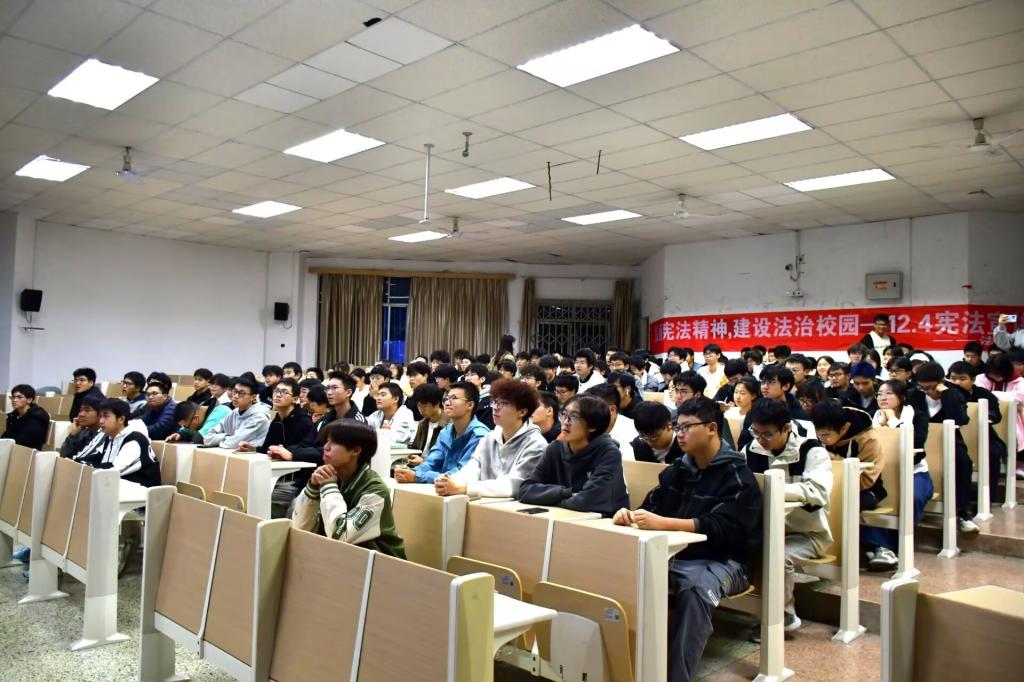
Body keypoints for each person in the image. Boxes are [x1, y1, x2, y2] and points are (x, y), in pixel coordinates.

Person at [613, 397, 761, 682]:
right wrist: (630, 515)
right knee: (620, 570)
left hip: (727, 561)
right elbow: (652, 506)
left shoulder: (737, 475)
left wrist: (665, 523)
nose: (679, 434)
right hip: (678, 554)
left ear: (712, 428)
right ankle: (626, 668)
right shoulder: (679, 469)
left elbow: (725, 530)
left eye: (686, 427)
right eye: (677, 427)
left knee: (696, 589)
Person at [742, 399, 832, 632]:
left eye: (767, 434)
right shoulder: (751, 450)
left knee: (778, 555)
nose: (760, 439)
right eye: (755, 432)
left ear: (786, 428)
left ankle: (783, 615)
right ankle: (749, 607)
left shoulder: (812, 451)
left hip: (807, 534)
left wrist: (773, 489)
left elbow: (818, 492)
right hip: (766, 530)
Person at [291, 420, 405, 557]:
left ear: (356, 450)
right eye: (327, 441)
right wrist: (312, 488)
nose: (326, 447)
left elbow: (340, 536)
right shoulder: (329, 477)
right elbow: (300, 528)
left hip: (383, 564)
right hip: (343, 559)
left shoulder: (375, 489)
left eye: (334, 442)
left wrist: (329, 487)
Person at [518, 395, 629, 516]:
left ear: (593, 426)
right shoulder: (555, 448)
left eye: (574, 417)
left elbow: (586, 502)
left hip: (602, 521)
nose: (566, 422)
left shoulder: (609, 453)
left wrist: (550, 499)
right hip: (562, 516)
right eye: (564, 414)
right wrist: (567, 493)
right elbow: (525, 491)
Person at [436, 379, 547, 499]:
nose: (495, 407)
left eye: (504, 403)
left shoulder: (536, 444)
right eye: (494, 402)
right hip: (483, 503)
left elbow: (514, 485)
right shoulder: (489, 437)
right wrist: (450, 481)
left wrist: (466, 488)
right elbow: (472, 468)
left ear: (522, 412)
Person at [866, 380, 933, 570]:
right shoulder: (871, 417)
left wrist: (893, 422)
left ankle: (895, 547)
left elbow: (916, 442)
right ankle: (881, 547)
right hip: (880, 474)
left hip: (915, 472)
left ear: (902, 397)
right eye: (879, 394)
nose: (882, 398)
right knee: (864, 498)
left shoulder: (917, 415)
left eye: (888, 393)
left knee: (913, 497)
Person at [914, 361, 978, 533]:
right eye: (923, 387)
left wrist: (946, 395)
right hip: (920, 439)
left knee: (963, 462)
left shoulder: (955, 393)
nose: (927, 391)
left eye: (931, 387)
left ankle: (963, 512)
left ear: (941, 381)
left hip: (949, 439)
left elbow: (961, 419)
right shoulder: (914, 394)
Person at [394, 382, 489, 484]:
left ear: (470, 405)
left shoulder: (480, 436)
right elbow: (431, 462)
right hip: (441, 486)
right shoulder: (446, 432)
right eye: (446, 399)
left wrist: (417, 476)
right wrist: (411, 472)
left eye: (454, 398)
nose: (447, 403)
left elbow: (461, 473)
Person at [948, 361, 1008, 502]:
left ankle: (987, 498)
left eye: (962, 379)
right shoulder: (945, 395)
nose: (957, 382)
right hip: (955, 437)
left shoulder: (983, 394)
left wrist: (987, 417)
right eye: (953, 378)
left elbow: (996, 415)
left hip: (984, 436)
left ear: (973, 380)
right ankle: (957, 500)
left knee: (992, 452)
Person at [810, 402, 885, 510]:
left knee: (841, 503)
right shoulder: (818, 430)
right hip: (826, 485)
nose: (820, 438)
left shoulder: (869, 439)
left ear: (844, 428)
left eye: (826, 435)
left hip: (865, 489)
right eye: (817, 433)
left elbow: (866, 479)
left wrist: (835, 460)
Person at [79, 399, 160, 487]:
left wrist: (86, 467)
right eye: (100, 416)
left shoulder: (135, 440)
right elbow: (95, 457)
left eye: (106, 416)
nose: (101, 421)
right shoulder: (110, 437)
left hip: (140, 491)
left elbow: (114, 470)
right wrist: (79, 463)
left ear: (121, 419)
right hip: (117, 486)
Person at [975, 354, 1024, 480]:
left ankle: (1017, 462)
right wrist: (1006, 397)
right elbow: (979, 395)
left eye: (999, 374)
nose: (996, 377)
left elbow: (1020, 397)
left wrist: (992, 395)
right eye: (993, 374)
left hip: (1013, 417)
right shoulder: (981, 378)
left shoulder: (1019, 381)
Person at [203, 377, 272, 449]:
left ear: (253, 397)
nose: (235, 396)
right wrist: (227, 436)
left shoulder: (259, 418)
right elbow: (207, 438)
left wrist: (220, 440)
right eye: (235, 391)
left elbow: (232, 444)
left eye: (241, 393)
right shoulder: (234, 412)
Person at [585, 383, 637, 460]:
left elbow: (627, 465)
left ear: (612, 410)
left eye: (592, 408)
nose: (587, 413)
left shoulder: (631, 432)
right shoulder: (583, 426)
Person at [366, 381, 416, 446]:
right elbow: (364, 431)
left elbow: (398, 440)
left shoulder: (405, 414)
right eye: (378, 395)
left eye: (383, 395)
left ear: (395, 399)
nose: (378, 398)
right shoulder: (376, 414)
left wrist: (385, 434)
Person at [2, 384, 50, 450]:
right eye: (13, 397)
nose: (14, 400)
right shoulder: (13, 416)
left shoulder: (36, 419)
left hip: (25, 452)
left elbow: (21, 441)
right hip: (11, 448)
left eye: (19, 397)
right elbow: (6, 437)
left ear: (29, 400)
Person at [409, 384, 447, 463]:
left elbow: (445, 456)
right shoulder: (422, 423)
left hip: (433, 466)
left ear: (437, 403)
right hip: (418, 465)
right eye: (418, 405)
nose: (421, 410)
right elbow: (415, 448)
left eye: (424, 406)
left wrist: (423, 462)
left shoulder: (449, 425)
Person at [59, 395, 102, 459]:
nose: (81, 414)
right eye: (80, 410)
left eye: (87, 410)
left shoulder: (104, 436)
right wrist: (73, 436)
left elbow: (82, 459)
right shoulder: (83, 432)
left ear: (100, 414)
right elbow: (63, 456)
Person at [464, 362, 494, 428]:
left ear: (482, 379)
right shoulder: (462, 396)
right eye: (466, 375)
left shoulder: (489, 400)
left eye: (472, 375)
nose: (468, 378)